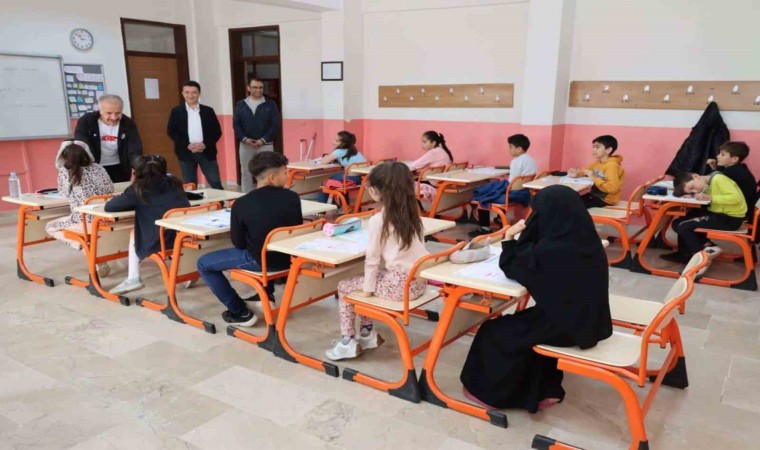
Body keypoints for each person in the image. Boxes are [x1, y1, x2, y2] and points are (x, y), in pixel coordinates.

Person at [460, 185, 612, 413]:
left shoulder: (550, 251)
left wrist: (509, 238)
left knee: (493, 331)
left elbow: (512, 266)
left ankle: (490, 394)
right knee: (523, 324)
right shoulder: (586, 239)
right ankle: (545, 390)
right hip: (591, 319)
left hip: (567, 326)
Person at [325, 162, 428, 361]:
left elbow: (372, 260)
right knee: (370, 279)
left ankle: (347, 341)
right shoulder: (414, 215)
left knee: (345, 286)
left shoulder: (379, 220)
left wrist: (367, 291)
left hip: (399, 287)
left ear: (374, 191)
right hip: (418, 283)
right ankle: (366, 334)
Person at [197, 151, 302, 327]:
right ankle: (265, 295)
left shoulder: (242, 203)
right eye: (285, 172)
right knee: (262, 246)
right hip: (290, 258)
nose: (288, 175)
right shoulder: (292, 198)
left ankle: (240, 312)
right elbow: (294, 229)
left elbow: (238, 243)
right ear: (272, 177)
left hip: (263, 262)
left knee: (203, 263)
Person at [104, 155, 190, 294]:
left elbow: (110, 207)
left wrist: (132, 183)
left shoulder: (139, 188)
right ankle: (188, 271)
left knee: (134, 232)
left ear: (135, 172)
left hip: (161, 241)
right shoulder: (175, 182)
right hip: (183, 234)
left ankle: (133, 278)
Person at [45, 141, 114, 276]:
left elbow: (64, 194)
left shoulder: (66, 171)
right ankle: (90, 249)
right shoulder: (98, 168)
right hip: (105, 216)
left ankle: (84, 247)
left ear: (63, 157)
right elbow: (110, 188)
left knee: (50, 226)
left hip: (83, 219)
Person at [660, 171, 747, 263]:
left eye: (692, 187)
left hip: (730, 219)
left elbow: (736, 198)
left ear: (695, 176)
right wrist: (692, 196)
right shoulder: (706, 185)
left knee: (684, 226)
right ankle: (692, 251)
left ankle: (703, 257)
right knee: (677, 223)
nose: (695, 191)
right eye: (692, 191)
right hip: (720, 215)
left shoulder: (718, 179)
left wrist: (710, 197)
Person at [469, 134, 538, 237]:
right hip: (525, 192)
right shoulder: (532, 160)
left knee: (482, 196)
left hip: (513, 193)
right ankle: (500, 219)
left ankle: (485, 228)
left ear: (519, 149)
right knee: (493, 190)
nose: (508, 149)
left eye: (510, 147)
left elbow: (511, 183)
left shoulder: (516, 161)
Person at [167, 81, 224, 189]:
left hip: (207, 152)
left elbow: (216, 131)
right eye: (187, 92)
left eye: (194, 92)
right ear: (182, 93)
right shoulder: (176, 111)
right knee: (190, 184)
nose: (190, 95)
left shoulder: (208, 111)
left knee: (215, 182)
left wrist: (205, 144)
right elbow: (171, 131)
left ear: (199, 94)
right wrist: (187, 145)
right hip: (186, 153)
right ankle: (194, 201)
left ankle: (220, 200)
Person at [74, 94, 143, 183]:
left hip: (120, 168)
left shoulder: (128, 124)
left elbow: (134, 149)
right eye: (109, 113)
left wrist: (138, 168)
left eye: (118, 113)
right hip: (94, 167)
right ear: (100, 111)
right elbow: (82, 144)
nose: (114, 117)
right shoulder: (87, 121)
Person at [233, 78, 281, 192]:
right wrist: (245, 139)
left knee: (267, 171)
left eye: (261, 87)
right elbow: (236, 125)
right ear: (248, 88)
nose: (258, 90)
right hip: (246, 145)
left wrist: (263, 140)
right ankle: (247, 196)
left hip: (265, 144)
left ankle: (266, 196)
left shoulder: (270, 104)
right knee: (246, 172)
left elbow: (275, 125)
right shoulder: (241, 104)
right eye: (255, 87)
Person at [568, 135, 624, 209]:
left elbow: (612, 188)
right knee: (569, 200)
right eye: (593, 147)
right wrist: (576, 174)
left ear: (608, 150)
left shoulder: (612, 166)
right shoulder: (598, 162)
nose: (594, 150)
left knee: (571, 206)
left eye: (597, 147)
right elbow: (585, 171)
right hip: (595, 195)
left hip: (606, 200)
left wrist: (594, 178)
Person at [706, 141, 757, 222]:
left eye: (722, 154)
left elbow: (716, 181)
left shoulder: (730, 174)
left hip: (736, 214)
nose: (717, 156)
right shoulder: (740, 169)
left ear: (734, 159)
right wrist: (715, 168)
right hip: (745, 210)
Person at [317, 131, 368, 203]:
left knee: (325, 183)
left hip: (350, 179)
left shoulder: (338, 151)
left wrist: (328, 155)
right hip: (362, 179)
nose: (333, 141)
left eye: (336, 140)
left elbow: (323, 162)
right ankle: (344, 205)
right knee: (340, 181)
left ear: (343, 143)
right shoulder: (354, 151)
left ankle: (321, 207)